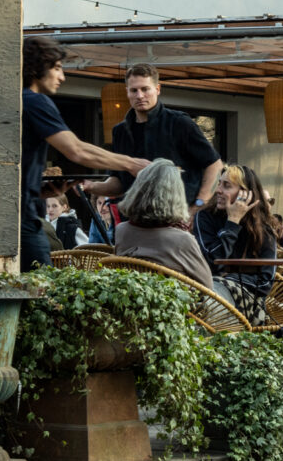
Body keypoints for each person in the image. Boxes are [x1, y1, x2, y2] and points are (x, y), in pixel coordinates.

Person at [20, 37, 150, 270]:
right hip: (24, 221)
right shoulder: (35, 101)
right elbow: (77, 150)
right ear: (37, 68)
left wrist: (38, 190)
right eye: (57, 68)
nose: (62, 77)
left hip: (18, 215)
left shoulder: (19, 102)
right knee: (39, 296)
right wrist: (132, 163)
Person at [84, 64, 223, 215]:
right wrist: (90, 186)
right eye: (134, 90)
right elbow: (119, 182)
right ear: (127, 92)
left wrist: (198, 205)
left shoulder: (179, 123)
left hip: (177, 217)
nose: (140, 95)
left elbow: (215, 165)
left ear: (157, 89)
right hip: (134, 219)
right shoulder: (120, 131)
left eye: (145, 89)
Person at [192, 163, 278, 322]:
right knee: (202, 300)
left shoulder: (263, 228)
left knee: (207, 303)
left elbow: (265, 282)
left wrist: (227, 279)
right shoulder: (204, 217)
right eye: (219, 184)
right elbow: (212, 263)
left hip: (245, 301)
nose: (218, 190)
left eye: (226, 186)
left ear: (246, 195)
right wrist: (232, 222)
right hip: (207, 291)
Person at [115, 158, 214, 286]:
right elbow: (208, 287)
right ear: (176, 195)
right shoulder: (182, 240)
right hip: (180, 304)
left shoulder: (121, 230)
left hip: (133, 301)